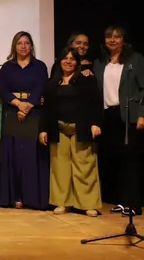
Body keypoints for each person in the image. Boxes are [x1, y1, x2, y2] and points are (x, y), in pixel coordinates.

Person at [40, 47, 103, 217]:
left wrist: (95, 124)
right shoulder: (51, 83)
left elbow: (96, 103)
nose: (68, 61)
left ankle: (88, 204)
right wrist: (43, 130)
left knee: (85, 167)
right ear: (59, 61)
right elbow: (46, 109)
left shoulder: (87, 80)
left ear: (77, 62)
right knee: (60, 168)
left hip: (81, 129)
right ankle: (63, 203)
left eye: (72, 59)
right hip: (59, 130)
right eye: (65, 58)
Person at [93, 26, 144, 216]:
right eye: (109, 37)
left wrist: (142, 114)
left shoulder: (135, 60)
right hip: (108, 115)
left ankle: (134, 203)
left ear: (124, 40)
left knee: (131, 160)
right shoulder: (100, 62)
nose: (112, 40)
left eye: (117, 37)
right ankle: (122, 201)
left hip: (129, 115)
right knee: (116, 159)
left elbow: (143, 88)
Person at [0, 31, 49, 210]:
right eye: (20, 43)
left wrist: (28, 105)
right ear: (14, 46)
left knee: (30, 157)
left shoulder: (40, 66)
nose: (23, 46)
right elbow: (3, 90)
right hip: (12, 112)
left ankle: (31, 198)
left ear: (31, 46)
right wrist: (19, 104)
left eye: (27, 43)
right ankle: (15, 197)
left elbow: (41, 87)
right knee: (14, 157)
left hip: (33, 113)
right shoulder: (7, 67)